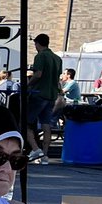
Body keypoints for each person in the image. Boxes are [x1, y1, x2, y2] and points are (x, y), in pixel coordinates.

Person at [25, 33, 62, 165]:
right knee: (46, 125)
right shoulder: (57, 58)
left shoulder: (40, 56)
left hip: (39, 93)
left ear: (37, 43)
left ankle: (35, 149)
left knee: (25, 123)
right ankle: (45, 156)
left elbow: (38, 74)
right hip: (52, 95)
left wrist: (28, 85)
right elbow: (58, 79)